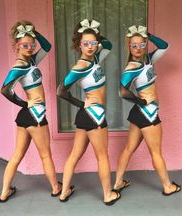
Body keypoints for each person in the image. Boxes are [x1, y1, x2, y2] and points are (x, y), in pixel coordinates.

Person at [57, 19, 121, 205]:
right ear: (79, 44)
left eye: (93, 43)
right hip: (94, 115)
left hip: (86, 117)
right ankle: (108, 194)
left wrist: (92, 31)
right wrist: (80, 104)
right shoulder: (80, 67)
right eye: (86, 43)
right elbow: (61, 91)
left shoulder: (95, 58)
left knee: (75, 154)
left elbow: (108, 44)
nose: (91, 46)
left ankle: (64, 192)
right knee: (102, 156)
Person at [114, 25, 181, 196]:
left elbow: (164, 46)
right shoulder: (132, 67)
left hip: (139, 113)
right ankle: (167, 186)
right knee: (156, 152)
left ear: (145, 45)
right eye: (134, 45)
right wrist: (140, 100)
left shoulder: (148, 60)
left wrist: (147, 34)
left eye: (141, 44)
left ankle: (118, 183)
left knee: (129, 148)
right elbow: (122, 91)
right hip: (148, 113)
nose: (138, 48)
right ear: (129, 46)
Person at [0, 20, 61, 202]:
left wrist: (34, 32)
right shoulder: (19, 66)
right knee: (45, 154)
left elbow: (48, 46)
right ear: (16, 46)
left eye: (32, 45)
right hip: (35, 114)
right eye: (25, 45)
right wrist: (24, 104)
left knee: (17, 154)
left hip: (26, 117)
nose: (30, 48)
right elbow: (4, 89)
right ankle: (56, 188)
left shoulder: (32, 61)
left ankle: (5, 192)